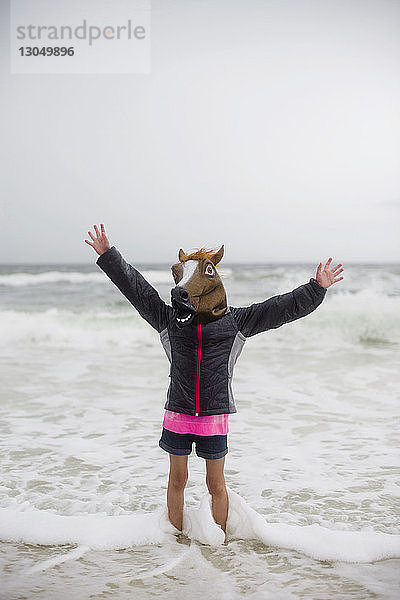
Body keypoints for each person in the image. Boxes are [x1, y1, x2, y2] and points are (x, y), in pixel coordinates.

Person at [85, 223, 344, 535]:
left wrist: (316, 289)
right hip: (178, 412)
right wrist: (109, 256)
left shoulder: (235, 322)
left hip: (214, 415)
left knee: (215, 484)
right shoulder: (169, 320)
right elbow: (138, 290)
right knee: (177, 480)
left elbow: (280, 308)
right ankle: (175, 538)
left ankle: (218, 543)